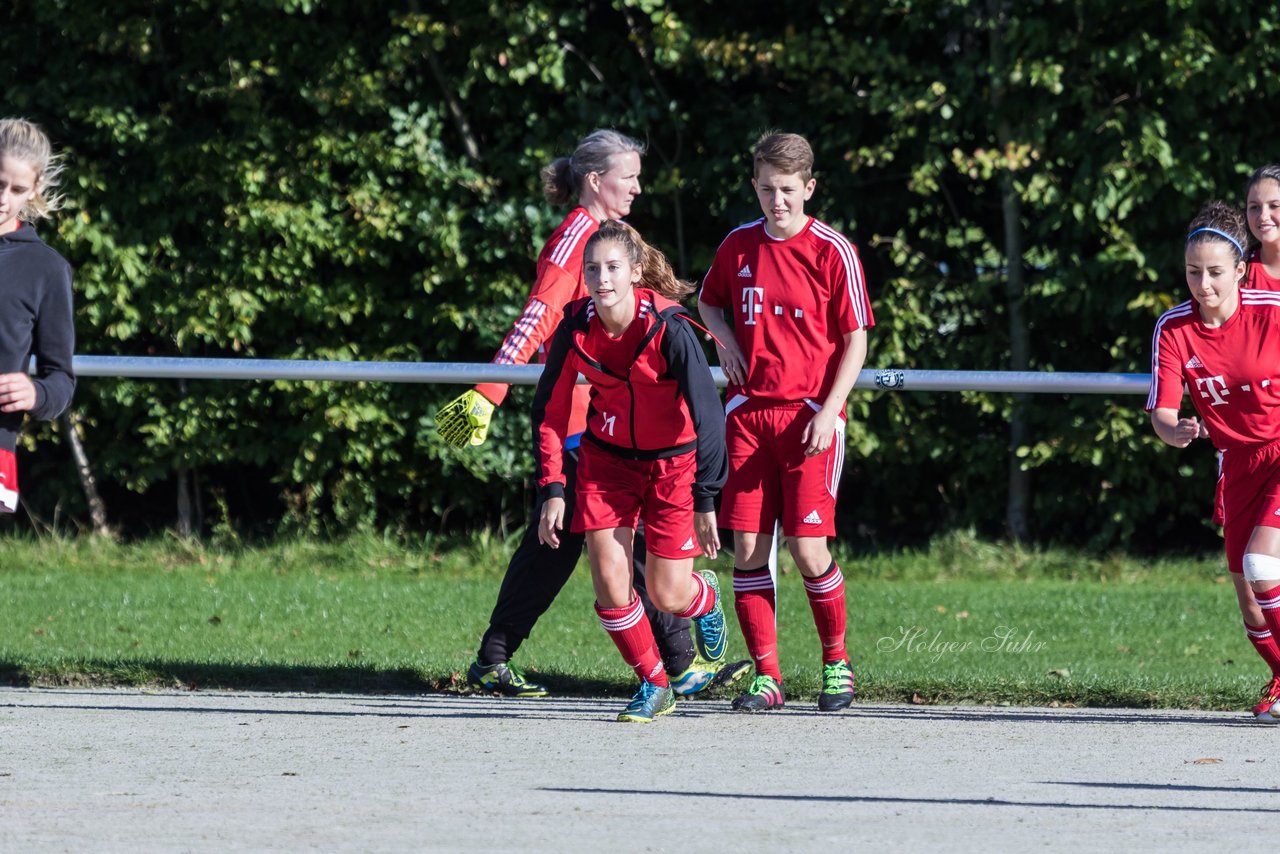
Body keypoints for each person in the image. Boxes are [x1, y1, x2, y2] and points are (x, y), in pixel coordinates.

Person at [434, 130, 747, 698]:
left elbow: (656, 305)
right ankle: (670, 668)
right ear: (596, 181)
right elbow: (538, 317)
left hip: (620, 420)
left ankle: (505, 657)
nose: (637, 186)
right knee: (574, 544)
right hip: (588, 426)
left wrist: (710, 340)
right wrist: (489, 389)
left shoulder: (615, 239)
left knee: (575, 545)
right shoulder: (575, 241)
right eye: (628, 176)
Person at [697, 131, 874, 712]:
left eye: (789, 190)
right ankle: (767, 677)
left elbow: (856, 341)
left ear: (809, 189)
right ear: (755, 186)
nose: (778, 201)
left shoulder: (832, 250)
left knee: (807, 548)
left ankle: (836, 664)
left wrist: (829, 410)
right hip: (748, 416)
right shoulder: (738, 246)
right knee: (746, 545)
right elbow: (707, 301)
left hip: (809, 417)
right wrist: (723, 339)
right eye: (768, 189)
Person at [533, 220, 728, 722]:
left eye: (613, 268)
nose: (602, 279)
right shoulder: (575, 325)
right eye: (593, 269)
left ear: (635, 273)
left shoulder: (671, 328)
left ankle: (703, 598)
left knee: (666, 592)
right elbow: (551, 412)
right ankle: (654, 683)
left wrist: (707, 497)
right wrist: (554, 486)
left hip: (673, 466)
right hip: (606, 462)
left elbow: (708, 415)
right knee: (610, 583)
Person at [1148, 200, 1280, 723]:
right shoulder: (1174, 328)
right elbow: (1162, 412)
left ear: (1241, 271)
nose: (1203, 284)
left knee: (1262, 565)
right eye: (1192, 272)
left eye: (1215, 273)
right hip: (1238, 463)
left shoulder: (1271, 313)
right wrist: (1172, 431)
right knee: (1250, 598)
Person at [0, 117, 75, 514]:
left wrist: (36, 394)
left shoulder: (46, 269)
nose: (3, 199)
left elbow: (61, 378)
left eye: (17, 189)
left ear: (35, 189)